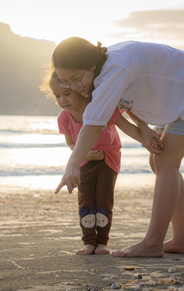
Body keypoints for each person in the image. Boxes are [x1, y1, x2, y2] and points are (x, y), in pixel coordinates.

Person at [52, 37, 184, 257]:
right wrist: (143, 129)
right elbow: (123, 98)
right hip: (175, 97)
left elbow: (93, 124)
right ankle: (182, 240)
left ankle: (153, 243)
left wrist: (72, 164)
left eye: (75, 79)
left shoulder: (115, 67)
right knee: (159, 161)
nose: (74, 87)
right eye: (66, 83)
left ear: (91, 65)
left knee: (165, 161)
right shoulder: (104, 66)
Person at [45, 71, 158, 255]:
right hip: (84, 162)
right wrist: (85, 154)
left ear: (79, 90)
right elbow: (71, 143)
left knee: (104, 201)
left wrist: (147, 142)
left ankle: (102, 242)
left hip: (109, 159)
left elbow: (127, 126)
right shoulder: (64, 118)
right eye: (57, 96)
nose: (62, 100)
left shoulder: (100, 107)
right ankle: (89, 242)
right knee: (86, 201)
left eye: (66, 94)